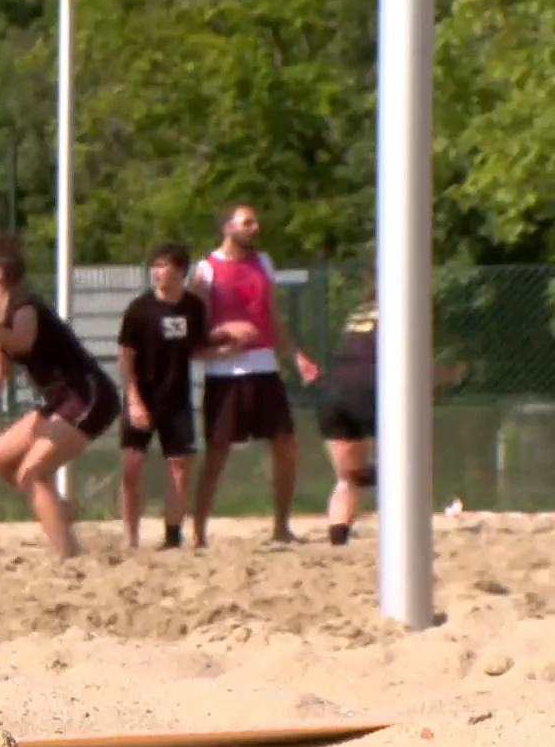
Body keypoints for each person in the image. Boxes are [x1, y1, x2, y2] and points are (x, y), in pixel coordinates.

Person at [0, 236, 122, 559]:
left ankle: (70, 556)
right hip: (60, 400)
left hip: (87, 395)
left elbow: (22, 341)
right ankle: (59, 510)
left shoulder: (25, 307)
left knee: (32, 473)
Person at [186, 203, 321, 547]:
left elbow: (273, 318)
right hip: (225, 371)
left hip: (264, 367)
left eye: (255, 221)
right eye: (247, 222)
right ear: (227, 227)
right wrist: (225, 333)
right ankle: (199, 531)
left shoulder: (263, 263)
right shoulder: (206, 269)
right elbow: (195, 328)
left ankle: (281, 525)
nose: (254, 227)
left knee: (286, 446)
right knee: (218, 454)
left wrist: (295, 355)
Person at [315, 282, 467, 545]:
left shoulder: (360, 312)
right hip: (370, 389)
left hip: (332, 391)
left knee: (349, 476)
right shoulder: (405, 308)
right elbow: (412, 364)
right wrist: (449, 373)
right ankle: (404, 533)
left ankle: (338, 537)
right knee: (406, 465)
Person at [116, 243, 216, 549]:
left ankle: (172, 536)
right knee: (131, 467)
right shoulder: (139, 309)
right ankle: (131, 537)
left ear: (181, 271)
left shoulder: (193, 308)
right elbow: (125, 355)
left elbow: (199, 348)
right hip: (143, 395)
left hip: (176, 396)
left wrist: (229, 345)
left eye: (165, 266)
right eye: (155, 266)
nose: (158, 272)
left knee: (180, 467)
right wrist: (133, 399)